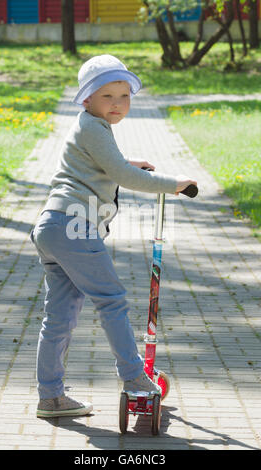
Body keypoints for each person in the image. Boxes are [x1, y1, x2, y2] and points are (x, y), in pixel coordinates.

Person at [30, 54, 197, 418]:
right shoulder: (92, 126)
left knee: (60, 315)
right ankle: (135, 377)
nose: (118, 104)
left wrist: (128, 163)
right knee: (112, 300)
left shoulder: (90, 127)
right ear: (87, 99)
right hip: (75, 226)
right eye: (108, 96)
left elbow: (103, 166)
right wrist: (175, 185)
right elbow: (122, 175)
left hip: (54, 226)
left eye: (124, 96)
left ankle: (51, 396)